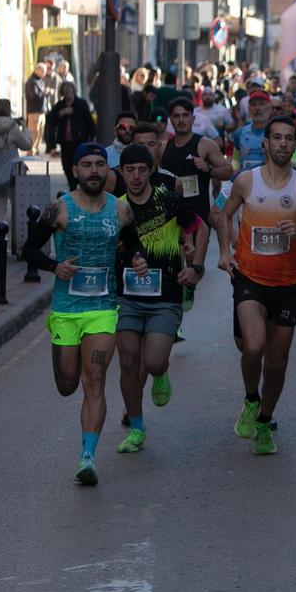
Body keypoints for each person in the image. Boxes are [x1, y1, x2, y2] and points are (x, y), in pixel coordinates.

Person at [21, 143, 147, 485]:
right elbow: (27, 249)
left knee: (95, 379)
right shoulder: (59, 210)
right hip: (66, 310)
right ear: (75, 171)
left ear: (109, 171)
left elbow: (133, 244)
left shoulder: (120, 211)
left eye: (100, 165)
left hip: (103, 309)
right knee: (67, 384)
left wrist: (136, 259)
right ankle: (67, 382)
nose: (94, 170)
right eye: (87, 165)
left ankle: (87, 456)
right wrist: (53, 265)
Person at [217, 116, 296, 455]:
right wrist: (225, 252)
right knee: (253, 347)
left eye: (289, 139)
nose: (283, 144)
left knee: (277, 362)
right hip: (249, 277)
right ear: (264, 143)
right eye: (277, 138)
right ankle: (252, 400)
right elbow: (224, 215)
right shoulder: (246, 181)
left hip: (287, 282)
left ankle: (265, 421)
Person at [112, 143, 206, 454]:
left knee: (152, 361)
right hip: (127, 295)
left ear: (152, 170)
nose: (136, 176)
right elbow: (111, 252)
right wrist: (127, 261)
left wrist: (195, 265)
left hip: (165, 294)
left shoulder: (169, 200)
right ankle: (137, 428)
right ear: (121, 172)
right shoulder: (116, 209)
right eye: (130, 171)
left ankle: (160, 372)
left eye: (142, 170)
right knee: (127, 362)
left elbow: (200, 227)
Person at [160, 97, 234, 229]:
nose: (181, 120)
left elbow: (228, 172)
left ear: (193, 119)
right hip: (170, 217)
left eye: (185, 115)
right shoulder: (162, 148)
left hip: (198, 216)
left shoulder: (205, 145)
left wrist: (209, 170)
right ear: (170, 120)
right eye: (176, 116)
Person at [48, 81, 96, 190]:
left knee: (79, 162)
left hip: (79, 140)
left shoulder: (81, 103)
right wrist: (61, 113)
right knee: (66, 164)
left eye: (69, 91)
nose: (67, 93)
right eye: (65, 91)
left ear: (73, 91)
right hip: (65, 141)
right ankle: (72, 185)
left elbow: (89, 121)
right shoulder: (60, 105)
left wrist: (92, 137)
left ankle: (80, 183)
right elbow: (51, 120)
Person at [233, 90, 271, 172]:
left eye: (262, 104)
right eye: (253, 105)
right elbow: (236, 162)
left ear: (269, 107)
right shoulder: (239, 133)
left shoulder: (278, 133)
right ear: (249, 109)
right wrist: (234, 174)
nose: (257, 108)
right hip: (246, 182)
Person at [24, 62, 47, 154]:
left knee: (40, 132)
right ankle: (30, 150)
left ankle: (35, 150)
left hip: (41, 111)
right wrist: (45, 92)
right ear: (37, 70)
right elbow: (33, 95)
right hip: (34, 111)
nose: (44, 73)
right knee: (34, 132)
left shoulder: (39, 80)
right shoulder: (31, 81)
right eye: (43, 71)